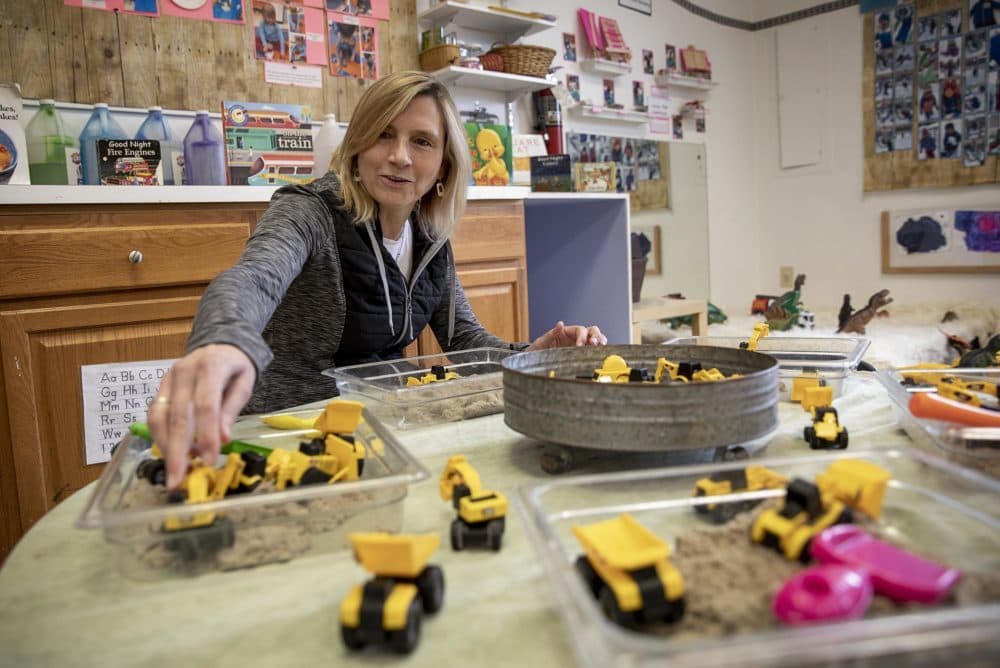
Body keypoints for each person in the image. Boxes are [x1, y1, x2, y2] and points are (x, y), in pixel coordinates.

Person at [149, 72, 607, 487]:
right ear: (358, 145)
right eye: (383, 134)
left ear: (444, 164)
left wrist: (532, 355)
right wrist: (224, 343)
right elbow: (251, 280)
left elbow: (466, 342)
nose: (399, 157)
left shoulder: (431, 238)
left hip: (388, 428)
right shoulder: (308, 211)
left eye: (422, 142)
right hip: (286, 433)